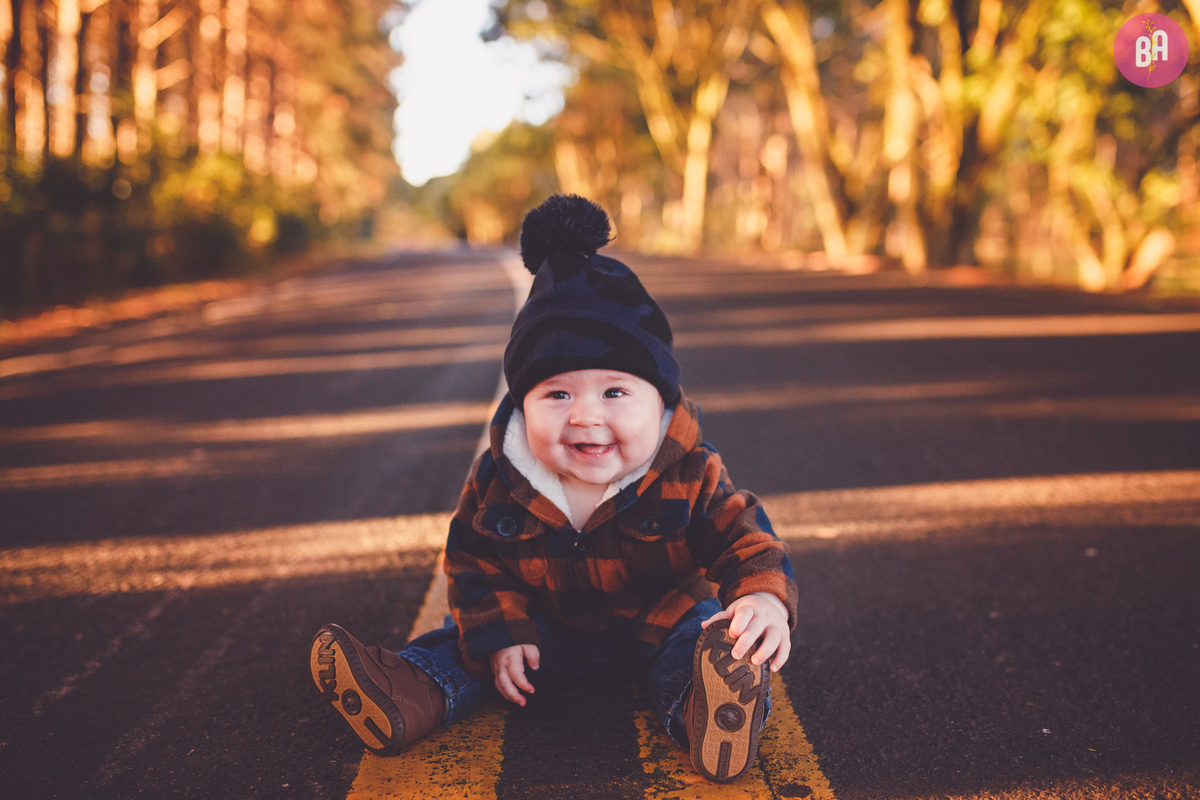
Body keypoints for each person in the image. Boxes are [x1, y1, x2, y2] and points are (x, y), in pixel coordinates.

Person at [309, 194, 798, 784]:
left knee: (702, 643)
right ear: (522, 404)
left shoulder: (689, 469)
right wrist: (501, 634)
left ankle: (710, 713)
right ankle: (406, 696)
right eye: (557, 395)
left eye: (615, 393)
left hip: (658, 620)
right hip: (542, 630)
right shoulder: (501, 478)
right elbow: (473, 562)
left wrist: (762, 598)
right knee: (463, 645)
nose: (586, 417)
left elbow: (745, 535)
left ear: (661, 401)